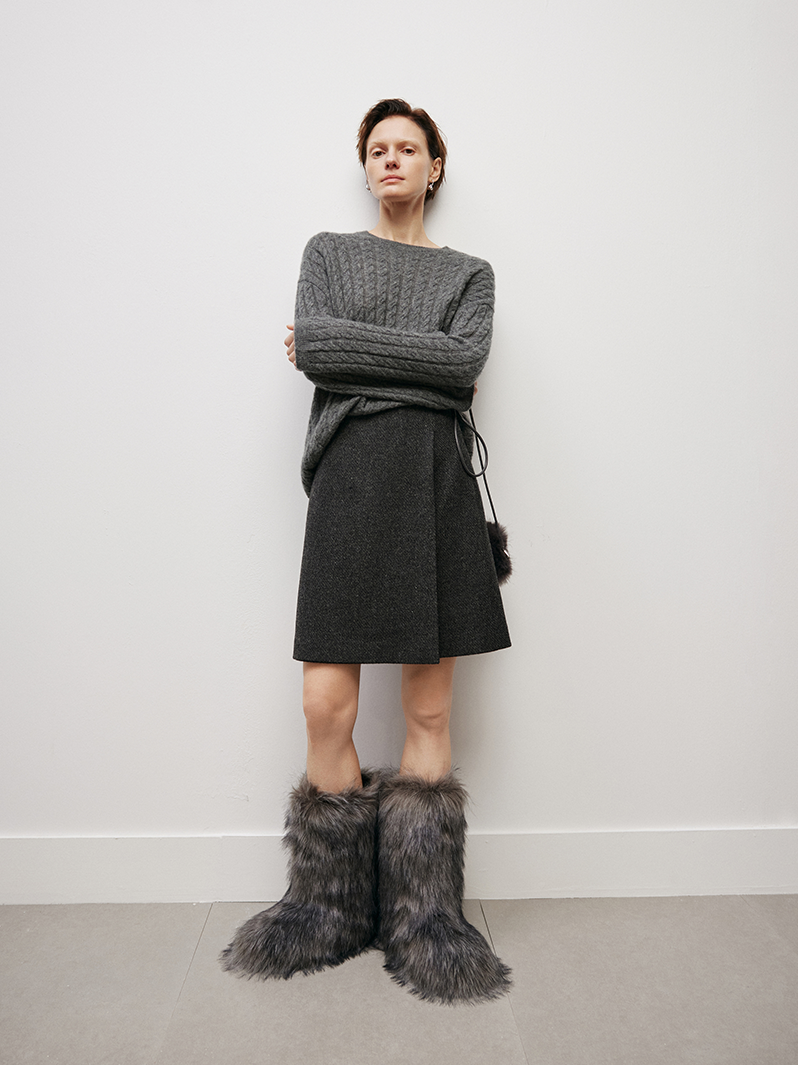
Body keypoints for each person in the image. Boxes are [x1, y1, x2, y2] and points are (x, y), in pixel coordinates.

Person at [221, 99, 511, 1005]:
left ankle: (427, 920)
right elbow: (317, 354)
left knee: (428, 709)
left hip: (434, 487)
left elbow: (461, 366)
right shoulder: (329, 253)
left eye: (408, 148)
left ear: (434, 167)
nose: (391, 159)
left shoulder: (470, 272)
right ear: (367, 165)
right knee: (323, 705)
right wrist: (388, 356)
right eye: (377, 149)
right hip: (347, 483)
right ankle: (330, 907)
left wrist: (347, 347)